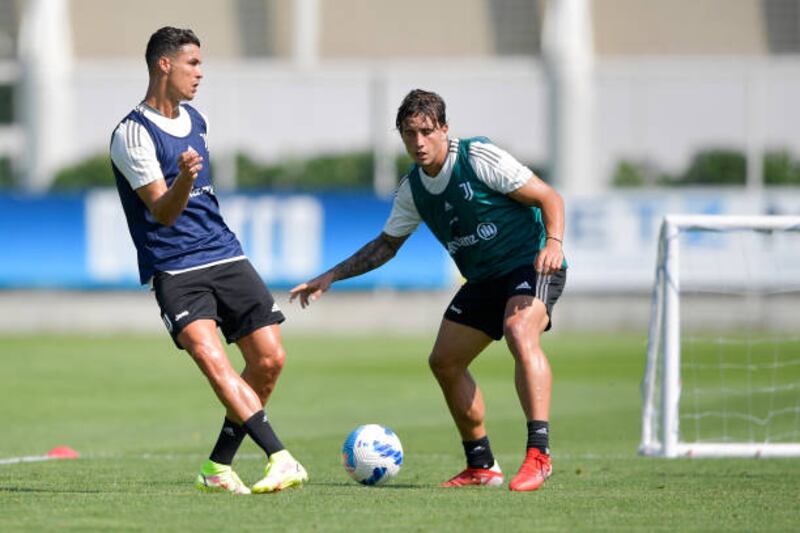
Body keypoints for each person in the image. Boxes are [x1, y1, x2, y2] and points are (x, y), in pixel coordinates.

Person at [290, 89, 567, 492]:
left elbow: (548, 196)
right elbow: (386, 245)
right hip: (484, 280)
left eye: (426, 132)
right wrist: (330, 276)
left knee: (520, 331)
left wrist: (554, 243)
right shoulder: (413, 190)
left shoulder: (477, 157)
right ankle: (481, 465)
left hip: (531, 261)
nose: (418, 143)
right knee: (445, 361)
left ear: (444, 130)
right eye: (408, 134)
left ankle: (539, 454)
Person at [109, 26, 307, 495]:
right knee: (212, 359)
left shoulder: (198, 119)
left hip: (226, 254)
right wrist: (183, 177)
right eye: (192, 63)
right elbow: (163, 210)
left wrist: (187, 176)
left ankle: (218, 466)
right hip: (175, 268)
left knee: (270, 360)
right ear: (164, 65)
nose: (200, 73)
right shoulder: (130, 135)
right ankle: (280, 456)